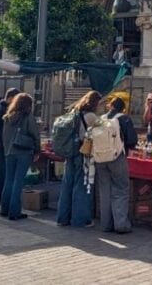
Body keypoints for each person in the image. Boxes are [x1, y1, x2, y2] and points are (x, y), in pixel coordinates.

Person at [56, 90, 101, 228]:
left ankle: (63, 218)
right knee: (81, 185)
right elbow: (101, 131)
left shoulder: (73, 113)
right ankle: (79, 219)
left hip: (70, 151)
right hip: (82, 152)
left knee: (67, 184)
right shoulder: (91, 117)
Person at [97, 97, 137, 234]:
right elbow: (132, 140)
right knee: (120, 189)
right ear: (123, 108)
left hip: (100, 157)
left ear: (111, 106)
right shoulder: (124, 119)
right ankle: (121, 224)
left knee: (104, 191)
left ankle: (105, 224)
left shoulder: (101, 118)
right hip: (117, 156)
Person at [0, 92, 39, 220]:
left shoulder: (7, 117)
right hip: (23, 152)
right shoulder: (28, 117)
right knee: (18, 182)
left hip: (9, 152)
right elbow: (35, 135)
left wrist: (7, 149)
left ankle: (4, 209)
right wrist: (37, 151)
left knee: (9, 180)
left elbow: (4, 136)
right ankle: (14, 211)